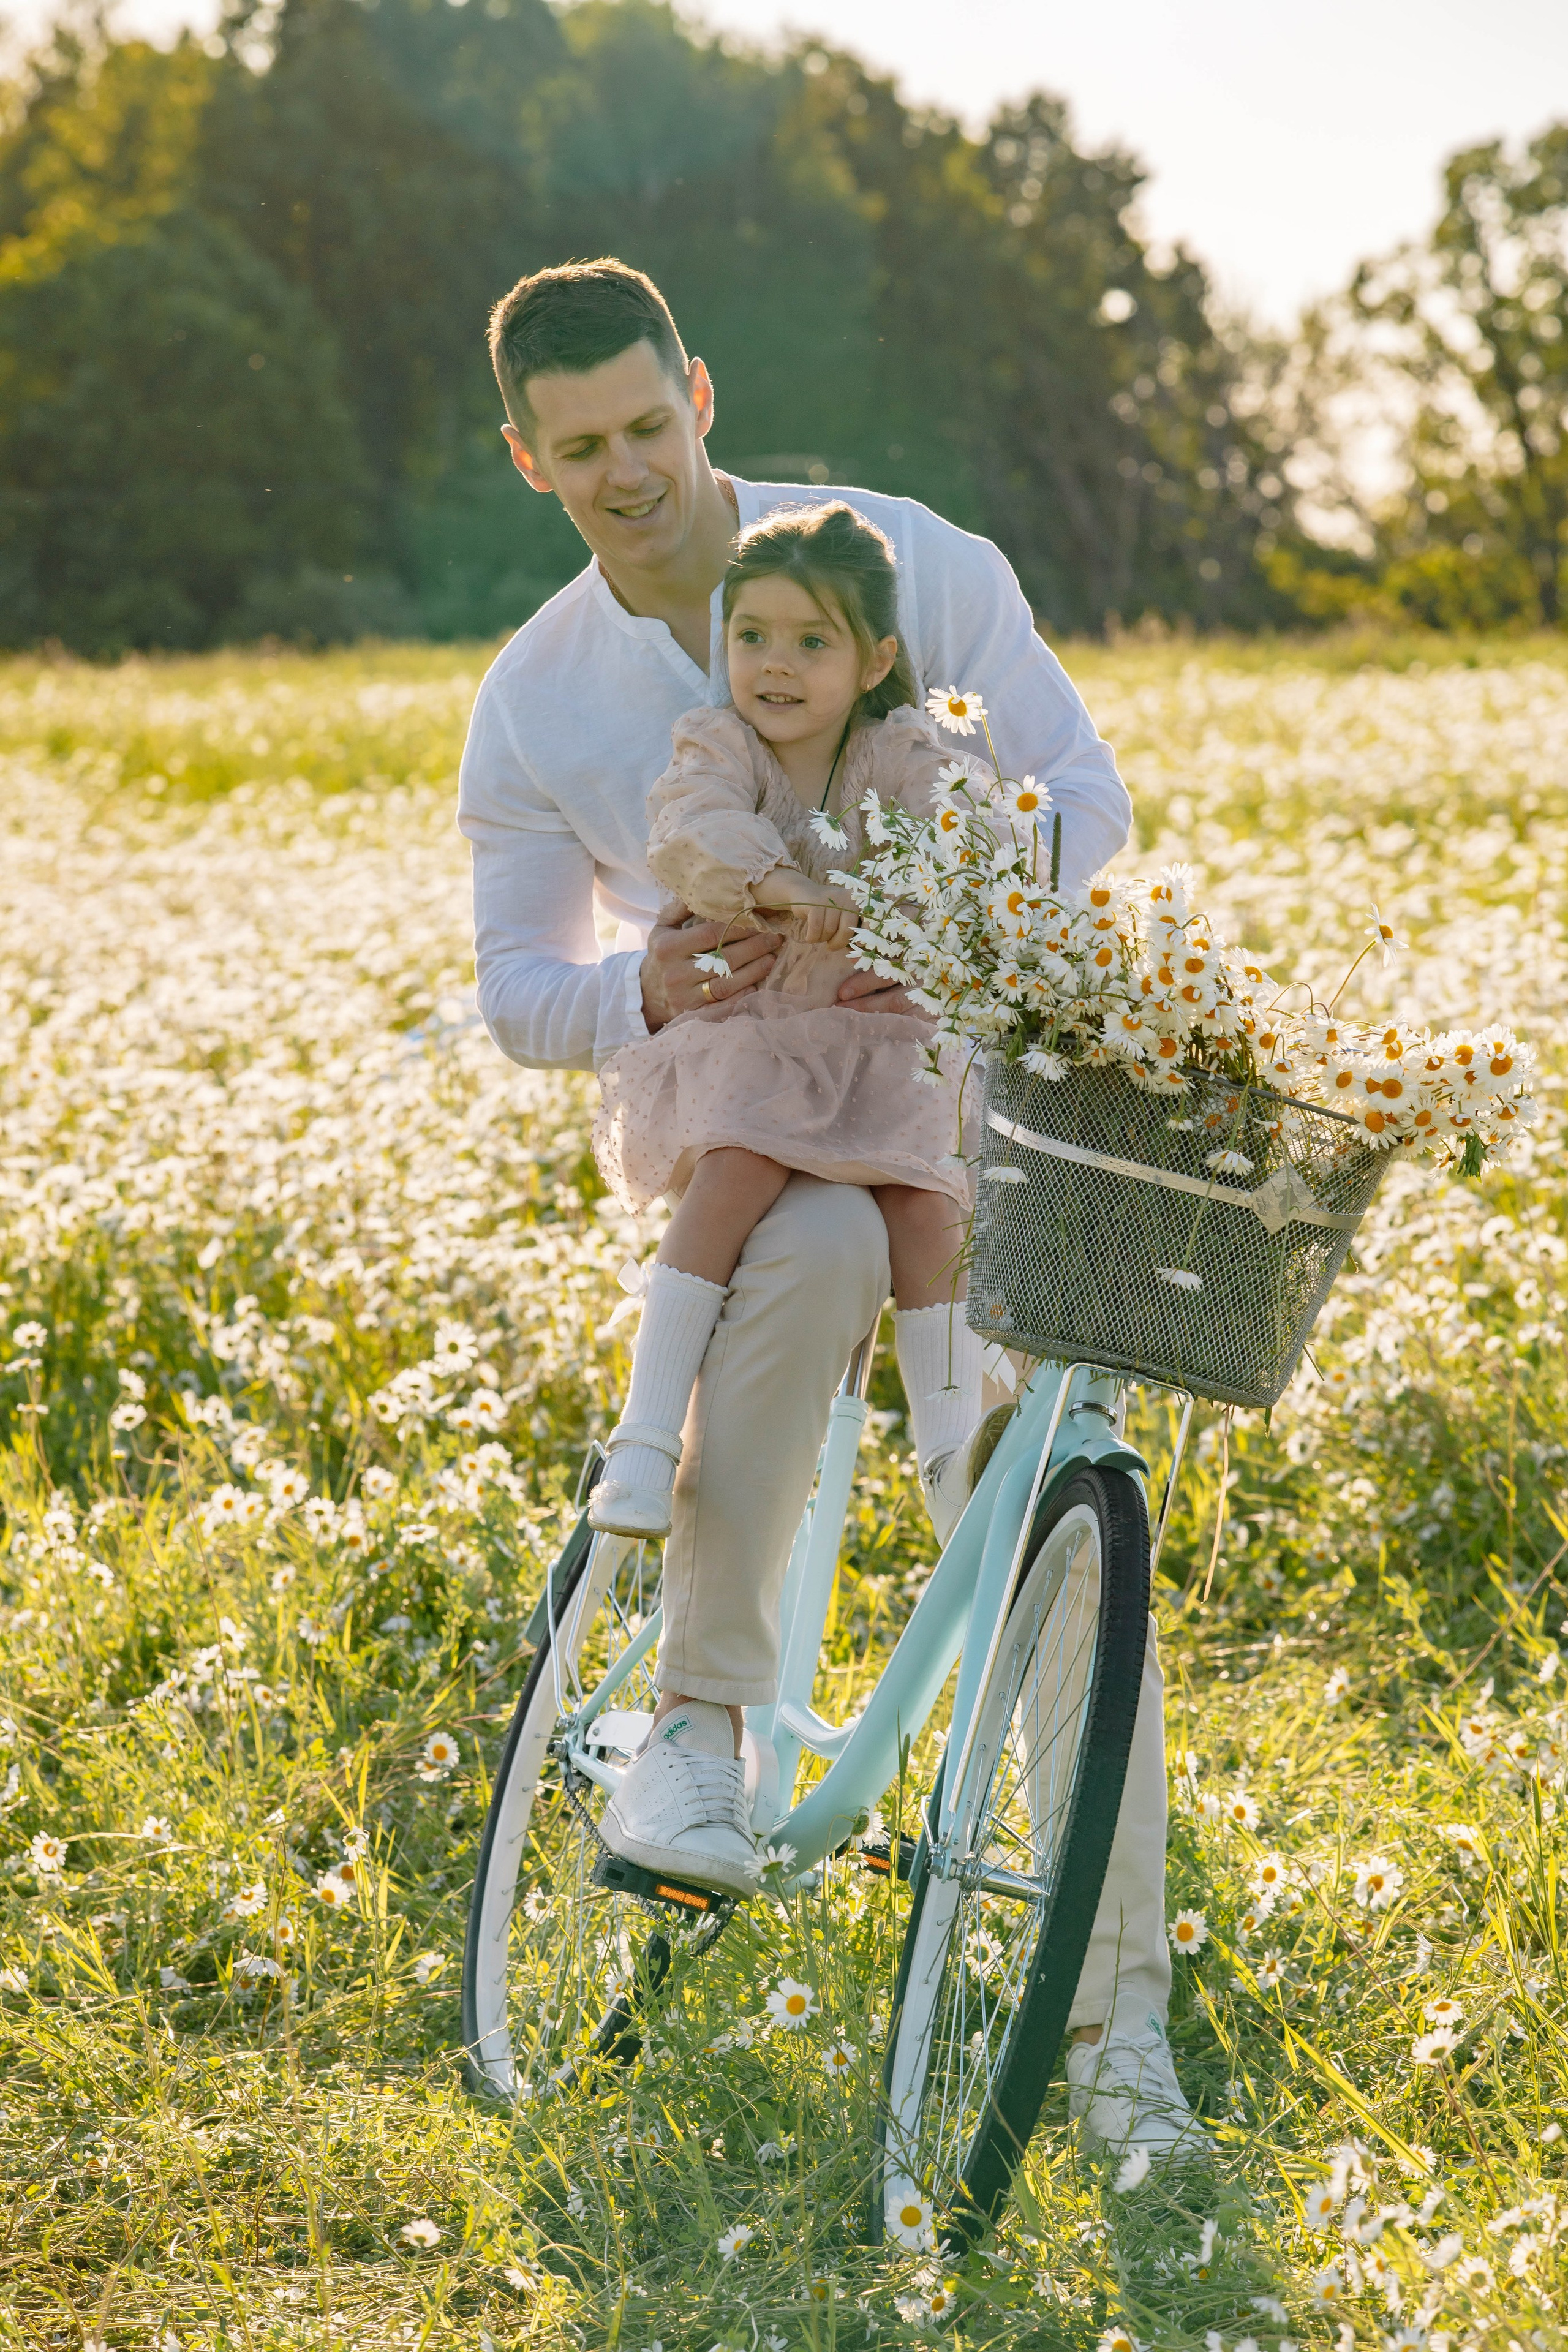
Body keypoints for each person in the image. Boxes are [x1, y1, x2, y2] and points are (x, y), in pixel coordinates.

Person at [457, 256, 1202, 2161]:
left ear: (698, 397)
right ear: (528, 458)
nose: (627, 473)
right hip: (766, 1129)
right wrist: (656, 983)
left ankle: (1121, 2031)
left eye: (648, 425)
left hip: (961, 1100)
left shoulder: (913, 565)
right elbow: (524, 994)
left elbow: (1081, 800)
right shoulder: (539, 704)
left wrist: (942, 900)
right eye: (580, 449)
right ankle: (705, 1734)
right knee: (802, 1248)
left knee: (1042, 1495)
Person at [587, 501, 984, 1565]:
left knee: (926, 1199)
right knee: (737, 1167)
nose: (776, 663)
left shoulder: (899, 748)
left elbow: (961, 824)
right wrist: (783, 884)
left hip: (877, 1036)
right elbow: (694, 828)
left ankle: (954, 1458)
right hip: (762, 1029)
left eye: (814, 642)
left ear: (873, 661)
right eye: (752, 636)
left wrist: (914, 912)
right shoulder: (718, 745)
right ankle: (646, 1430)